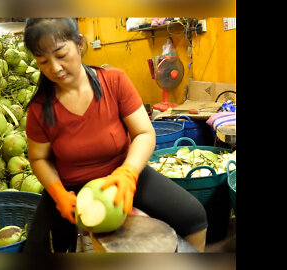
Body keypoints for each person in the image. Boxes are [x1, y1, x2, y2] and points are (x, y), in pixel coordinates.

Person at [22, 18, 208, 252]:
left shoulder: (114, 81)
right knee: (39, 249)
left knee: (193, 216)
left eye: (60, 55)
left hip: (121, 175)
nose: (55, 68)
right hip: (72, 188)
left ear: (79, 43)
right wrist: (58, 192)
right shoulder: (40, 108)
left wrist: (129, 172)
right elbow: (39, 158)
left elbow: (143, 133)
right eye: (43, 61)